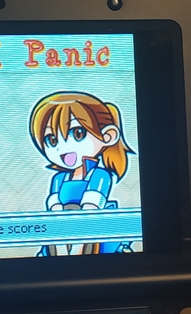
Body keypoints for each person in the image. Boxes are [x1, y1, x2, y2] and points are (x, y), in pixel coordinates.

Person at [28, 91, 134, 255]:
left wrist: (80, 228)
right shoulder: (59, 178)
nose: (63, 147)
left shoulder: (100, 175)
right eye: (52, 140)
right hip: (62, 222)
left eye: (78, 134)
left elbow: (92, 204)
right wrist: (60, 223)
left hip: (91, 222)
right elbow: (54, 203)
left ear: (108, 136)